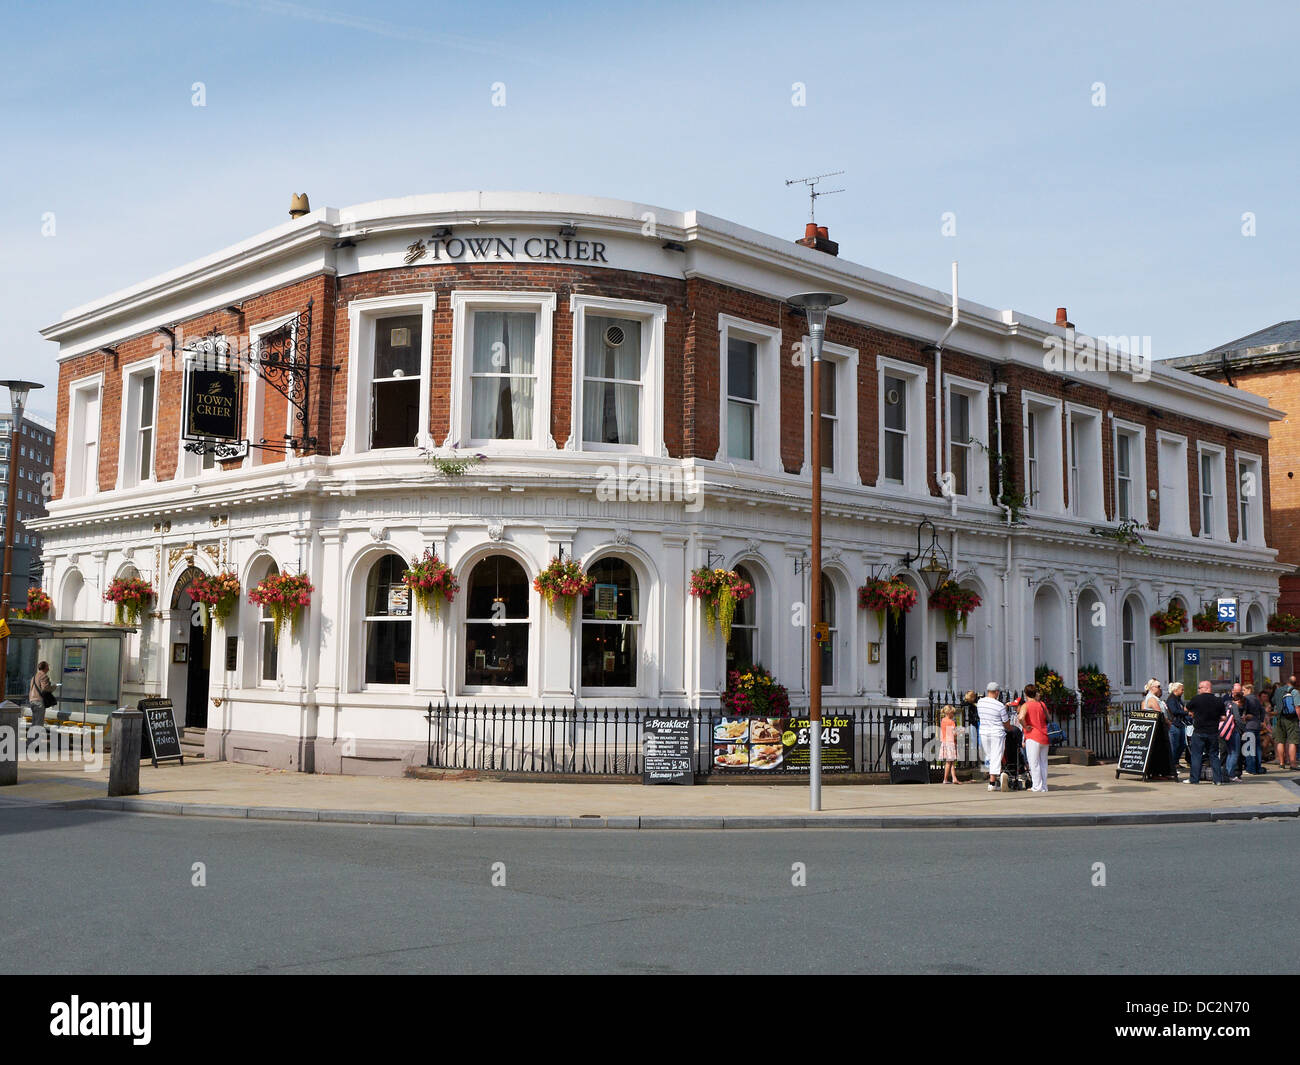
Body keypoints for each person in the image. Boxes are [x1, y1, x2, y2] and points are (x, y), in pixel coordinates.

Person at [1185, 680, 1225, 785]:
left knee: (1196, 756)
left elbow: (1187, 708)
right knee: (1214, 756)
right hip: (1213, 732)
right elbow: (1223, 717)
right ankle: (1217, 780)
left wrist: (1194, 713)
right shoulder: (1219, 701)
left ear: (1206, 688)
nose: (1198, 690)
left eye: (1199, 688)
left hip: (1199, 731)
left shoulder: (1196, 699)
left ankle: (1194, 779)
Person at [976, 682, 1013, 792]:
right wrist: (1011, 728)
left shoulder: (980, 702)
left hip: (984, 732)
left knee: (990, 755)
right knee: (997, 755)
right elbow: (1006, 723)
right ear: (997, 692)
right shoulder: (999, 706)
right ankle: (992, 782)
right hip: (996, 733)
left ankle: (996, 778)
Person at [1017, 682, 1051, 793]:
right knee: (1043, 762)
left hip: (1032, 736)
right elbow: (1049, 717)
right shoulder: (1042, 704)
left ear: (1025, 693)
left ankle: (1037, 786)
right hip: (1044, 736)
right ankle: (1044, 786)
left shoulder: (1025, 705)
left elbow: (1021, 717)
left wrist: (1026, 726)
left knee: (1034, 763)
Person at [1273, 675, 1300, 771]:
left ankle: (1281, 763)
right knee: (1292, 741)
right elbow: (1297, 707)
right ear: (1295, 683)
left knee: (1281, 741)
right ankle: (1293, 764)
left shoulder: (1278, 690)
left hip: (1280, 718)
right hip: (1291, 719)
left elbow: (1273, 702)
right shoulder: (1295, 692)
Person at [1165, 681, 1190, 780]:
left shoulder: (1178, 699)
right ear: (1176, 690)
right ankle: (1172, 765)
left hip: (1181, 724)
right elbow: (1174, 711)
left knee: (1183, 744)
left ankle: (1176, 762)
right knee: (1174, 745)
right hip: (1174, 724)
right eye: (1181, 689)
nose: (1183, 691)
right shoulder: (1171, 699)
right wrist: (1185, 712)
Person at [1241, 693, 1265, 776]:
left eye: (1244, 690)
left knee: (1249, 748)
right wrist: (1261, 720)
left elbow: (1244, 712)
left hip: (1249, 726)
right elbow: (1262, 710)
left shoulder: (1246, 699)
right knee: (1257, 748)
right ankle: (1258, 768)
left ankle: (1251, 769)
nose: (1242, 692)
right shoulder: (1256, 699)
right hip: (1257, 725)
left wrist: (1244, 717)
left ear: (1248, 690)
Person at [27, 661, 53, 730]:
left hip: (32, 701)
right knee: (38, 724)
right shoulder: (44, 676)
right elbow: (45, 688)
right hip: (39, 702)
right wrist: (54, 687)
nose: (48, 669)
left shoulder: (34, 677)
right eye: (48, 667)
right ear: (45, 668)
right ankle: (35, 740)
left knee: (34, 722)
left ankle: (31, 740)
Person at [939, 704, 961, 784]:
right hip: (950, 743)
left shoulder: (943, 720)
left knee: (951, 762)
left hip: (945, 742)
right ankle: (945, 779)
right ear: (949, 713)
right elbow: (954, 733)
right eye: (952, 713)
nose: (953, 715)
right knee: (949, 762)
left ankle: (954, 778)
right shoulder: (951, 722)